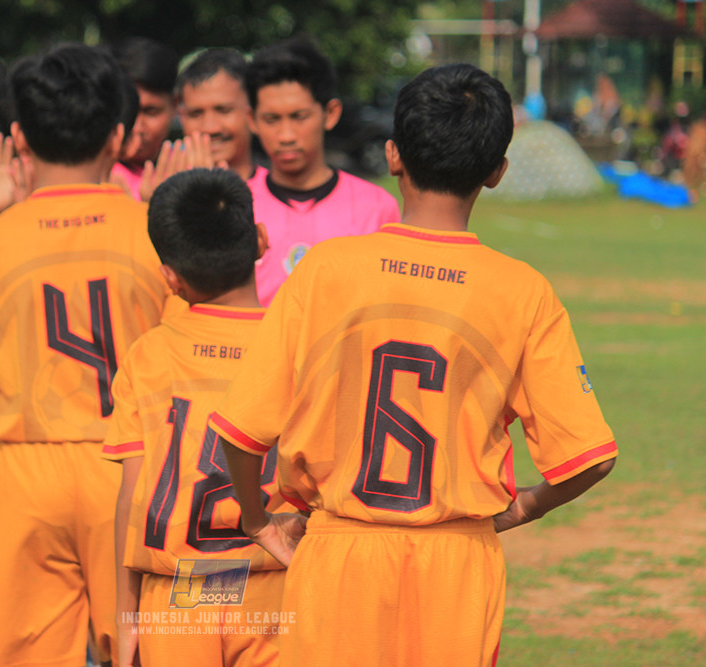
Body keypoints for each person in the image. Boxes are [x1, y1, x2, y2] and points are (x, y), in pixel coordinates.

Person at [212, 63, 618, 666]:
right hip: (456, 559)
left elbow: (241, 432)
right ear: (498, 171)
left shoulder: (324, 271)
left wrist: (256, 521)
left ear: (393, 155)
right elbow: (590, 456)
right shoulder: (522, 291)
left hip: (339, 553)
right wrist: (525, 506)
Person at [0, 43, 170, 666]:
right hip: (135, 466)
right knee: (140, 647)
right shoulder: (157, 234)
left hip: (23, 473)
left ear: (17, 136)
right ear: (119, 135)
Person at [104, 168, 288, 667]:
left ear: (170, 277)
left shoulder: (149, 355)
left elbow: (131, 501)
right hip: (277, 589)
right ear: (262, 241)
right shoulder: (298, 346)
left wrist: (127, 619)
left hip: (177, 594)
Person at [244, 37, 399, 306]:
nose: (286, 135)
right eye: (271, 119)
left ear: (330, 113)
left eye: (299, 117)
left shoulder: (376, 208)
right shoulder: (239, 206)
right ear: (252, 121)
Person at [111, 37, 179, 199]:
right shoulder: (89, 177)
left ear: (175, 106)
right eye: (126, 111)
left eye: (151, 111)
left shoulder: (191, 166)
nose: (137, 127)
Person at [176, 49, 258, 181]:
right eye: (195, 113)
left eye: (223, 110)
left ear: (252, 114)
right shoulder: (151, 189)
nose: (210, 128)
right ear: (181, 117)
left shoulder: (286, 192)